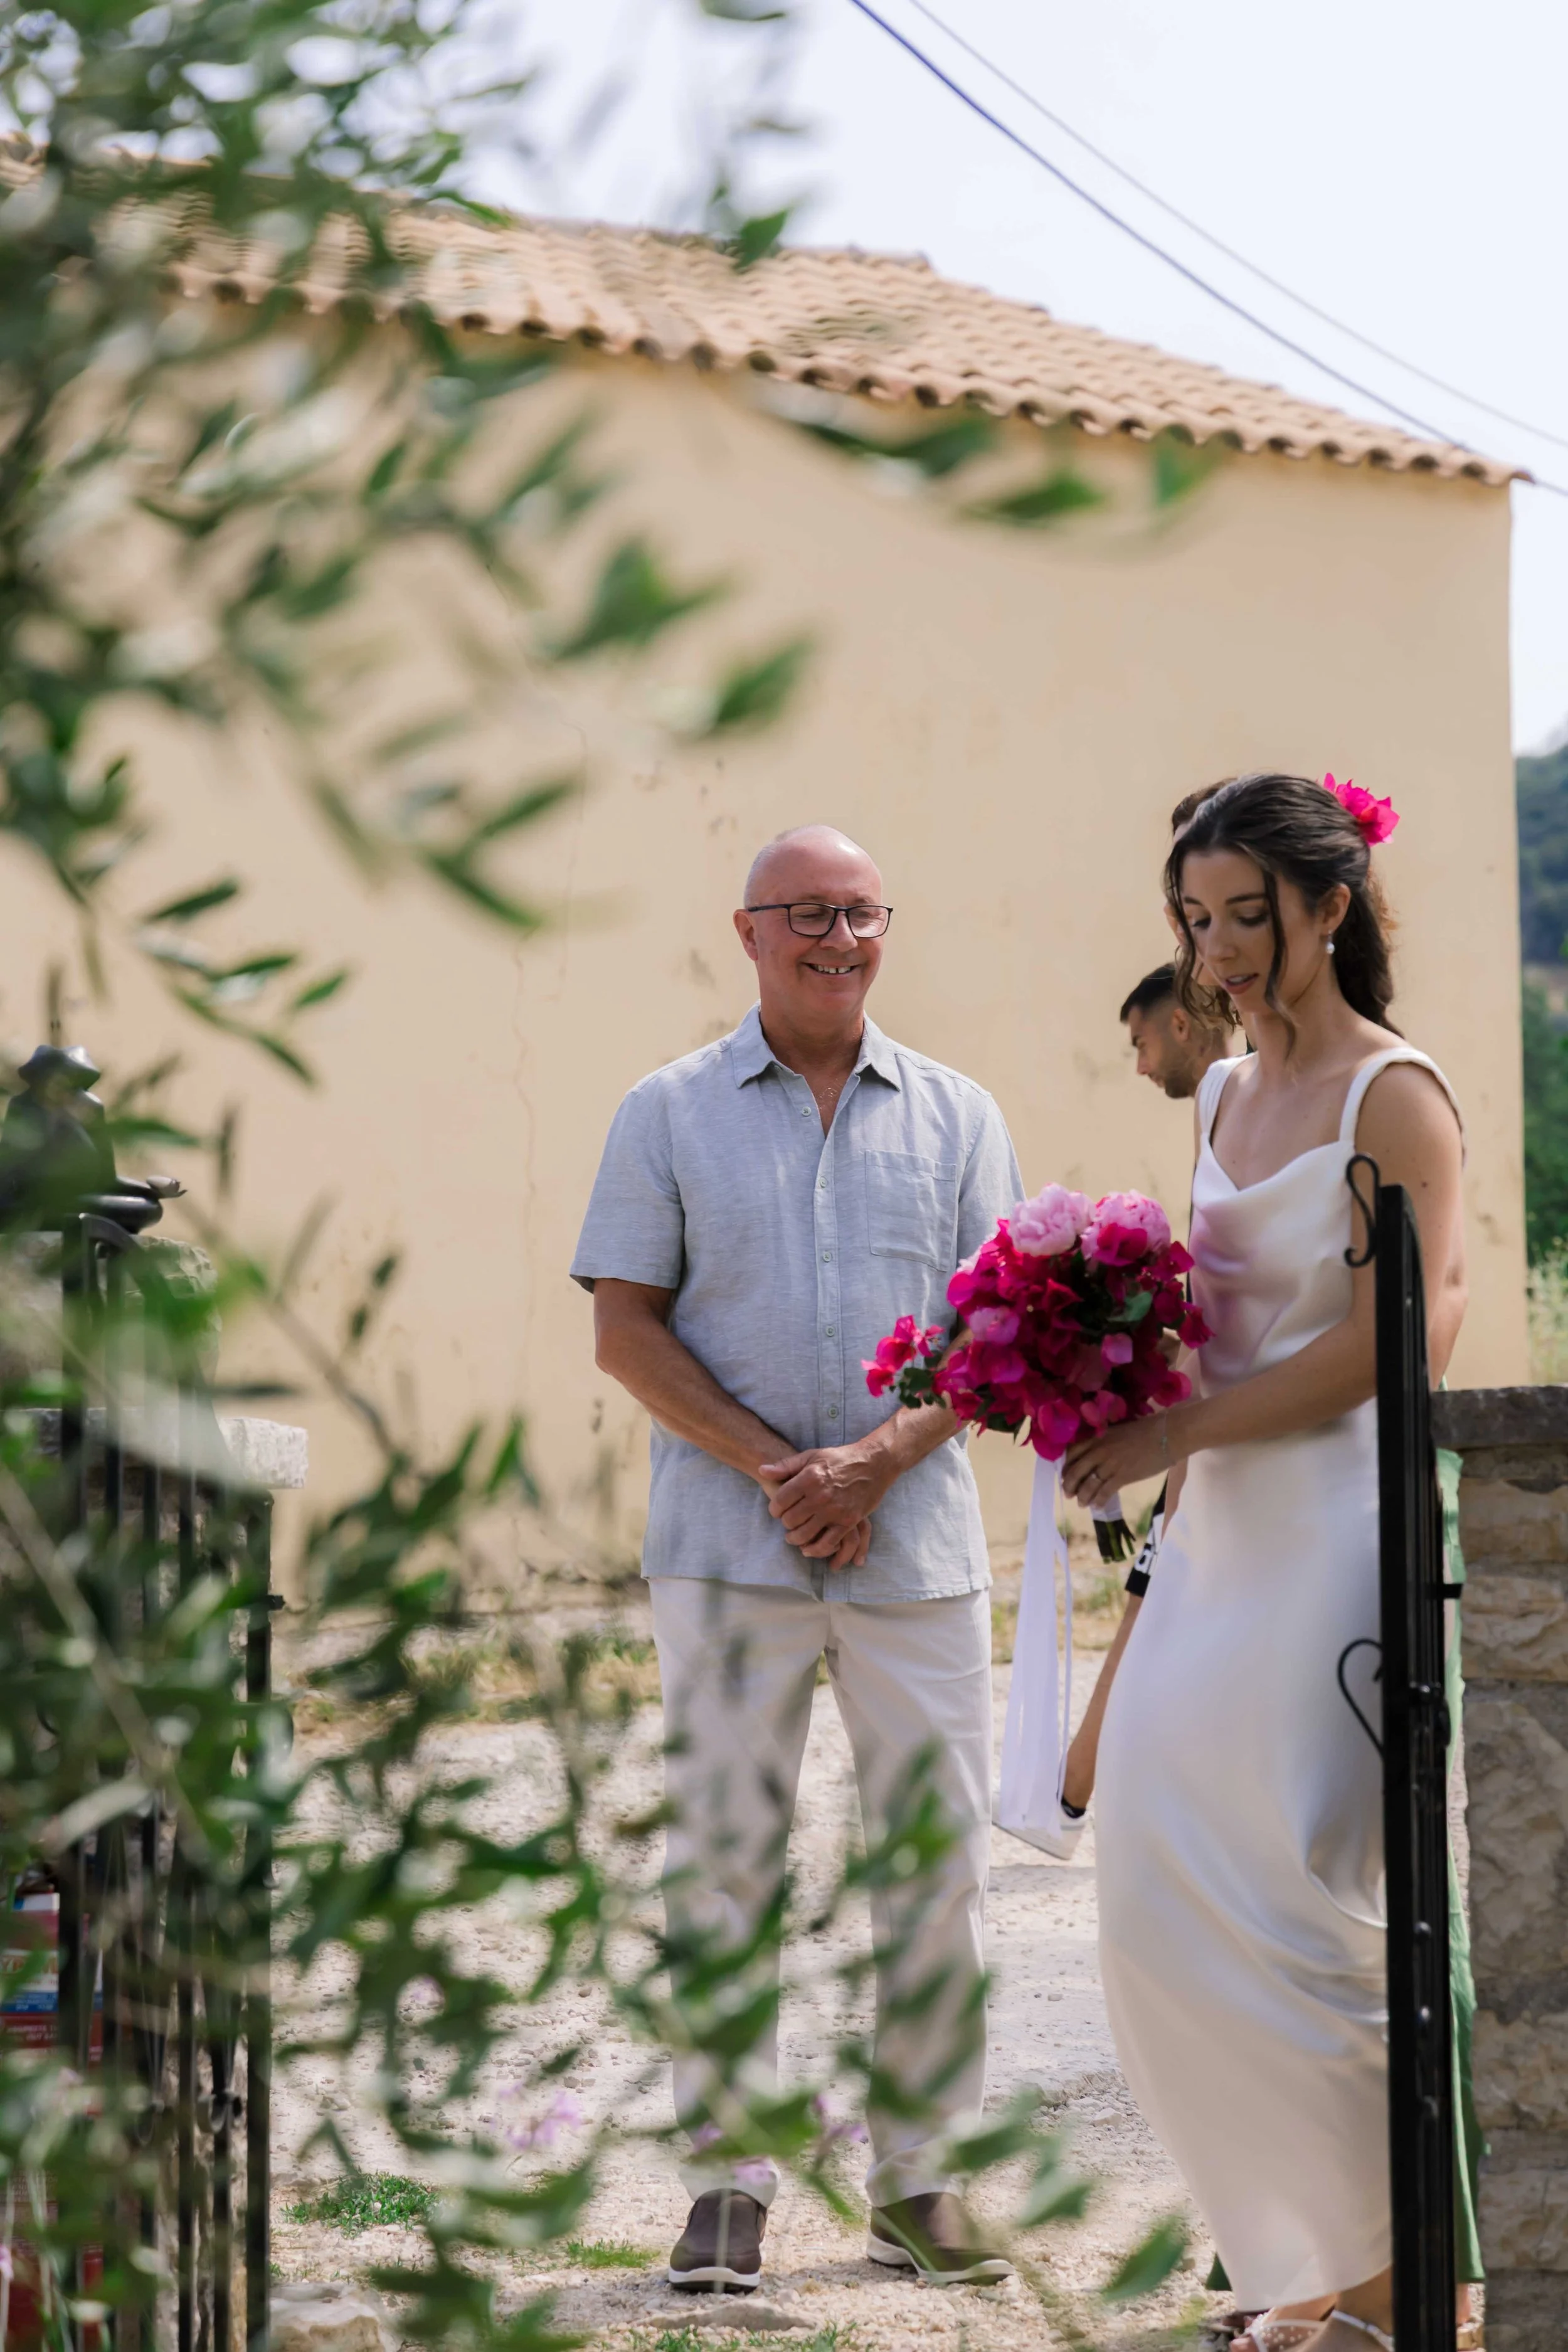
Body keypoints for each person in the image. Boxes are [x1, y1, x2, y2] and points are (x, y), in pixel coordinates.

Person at [571, 825, 1024, 2293]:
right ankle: (726, 2185)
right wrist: (787, 1471)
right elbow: (625, 1324)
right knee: (724, 1865)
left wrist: (879, 1462)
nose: (841, 936)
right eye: (809, 913)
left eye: (864, 911)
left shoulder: (961, 1115)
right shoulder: (665, 1111)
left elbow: (1002, 1337)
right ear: (748, 932)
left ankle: (923, 2176)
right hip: (729, 1546)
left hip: (919, 1549)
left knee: (939, 1866)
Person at [1060, 771, 1467, 2352]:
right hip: (1214, 1519)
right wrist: (1084, 1353)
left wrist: (1181, 1428)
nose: (1219, 948)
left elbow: (1402, 1340)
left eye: (1248, 914)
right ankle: (1306, 2266)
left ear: (1329, 907)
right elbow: (1210, 1308)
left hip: (1332, 1527)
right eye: (1196, 916)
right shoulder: (1224, 1092)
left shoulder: (1396, 1095)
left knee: (1309, 1895)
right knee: (1156, 1882)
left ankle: (1396, 2289)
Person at [1120, 962, 1231, 1101]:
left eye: (1143, 1045)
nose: (1141, 1069)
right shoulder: (1220, 1110)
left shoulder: (1255, 1105)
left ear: (1181, 1025)